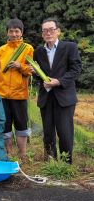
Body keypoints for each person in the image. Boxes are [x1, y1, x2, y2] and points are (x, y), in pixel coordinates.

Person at [33, 18, 82, 164]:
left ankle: (66, 163)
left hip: (64, 96)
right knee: (48, 132)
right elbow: (39, 76)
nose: (48, 33)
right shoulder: (38, 52)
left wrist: (59, 81)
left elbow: (76, 69)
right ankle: (50, 162)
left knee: (65, 132)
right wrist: (34, 72)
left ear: (58, 31)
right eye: (45, 31)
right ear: (42, 34)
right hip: (46, 96)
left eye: (51, 29)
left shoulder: (70, 47)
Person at [0, 18, 34, 159]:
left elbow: (31, 70)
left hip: (19, 94)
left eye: (17, 31)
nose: (14, 34)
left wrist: (20, 66)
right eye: (11, 31)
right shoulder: (1, 50)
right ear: (7, 33)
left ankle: (22, 154)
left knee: (21, 125)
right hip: (2, 95)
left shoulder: (28, 48)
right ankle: (9, 152)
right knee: (5, 125)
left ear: (22, 32)